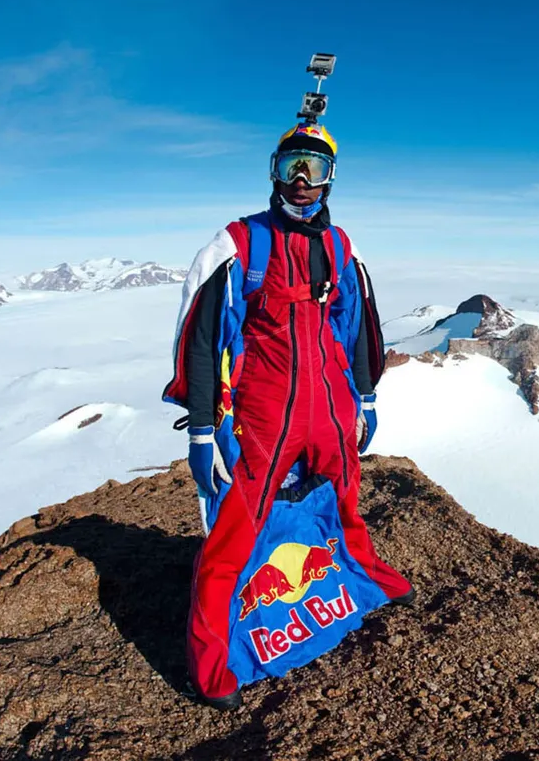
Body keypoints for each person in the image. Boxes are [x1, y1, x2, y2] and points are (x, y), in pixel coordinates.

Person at [164, 123, 413, 710]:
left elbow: (357, 326)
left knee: (344, 496)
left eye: (315, 169)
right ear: (273, 170)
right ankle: (213, 658)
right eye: (291, 166)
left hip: (329, 401)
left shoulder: (340, 247)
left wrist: (365, 395)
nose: (302, 182)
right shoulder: (238, 245)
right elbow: (201, 340)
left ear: (332, 178)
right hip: (263, 408)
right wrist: (203, 427)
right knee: (236, 521)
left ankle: (366, 574)